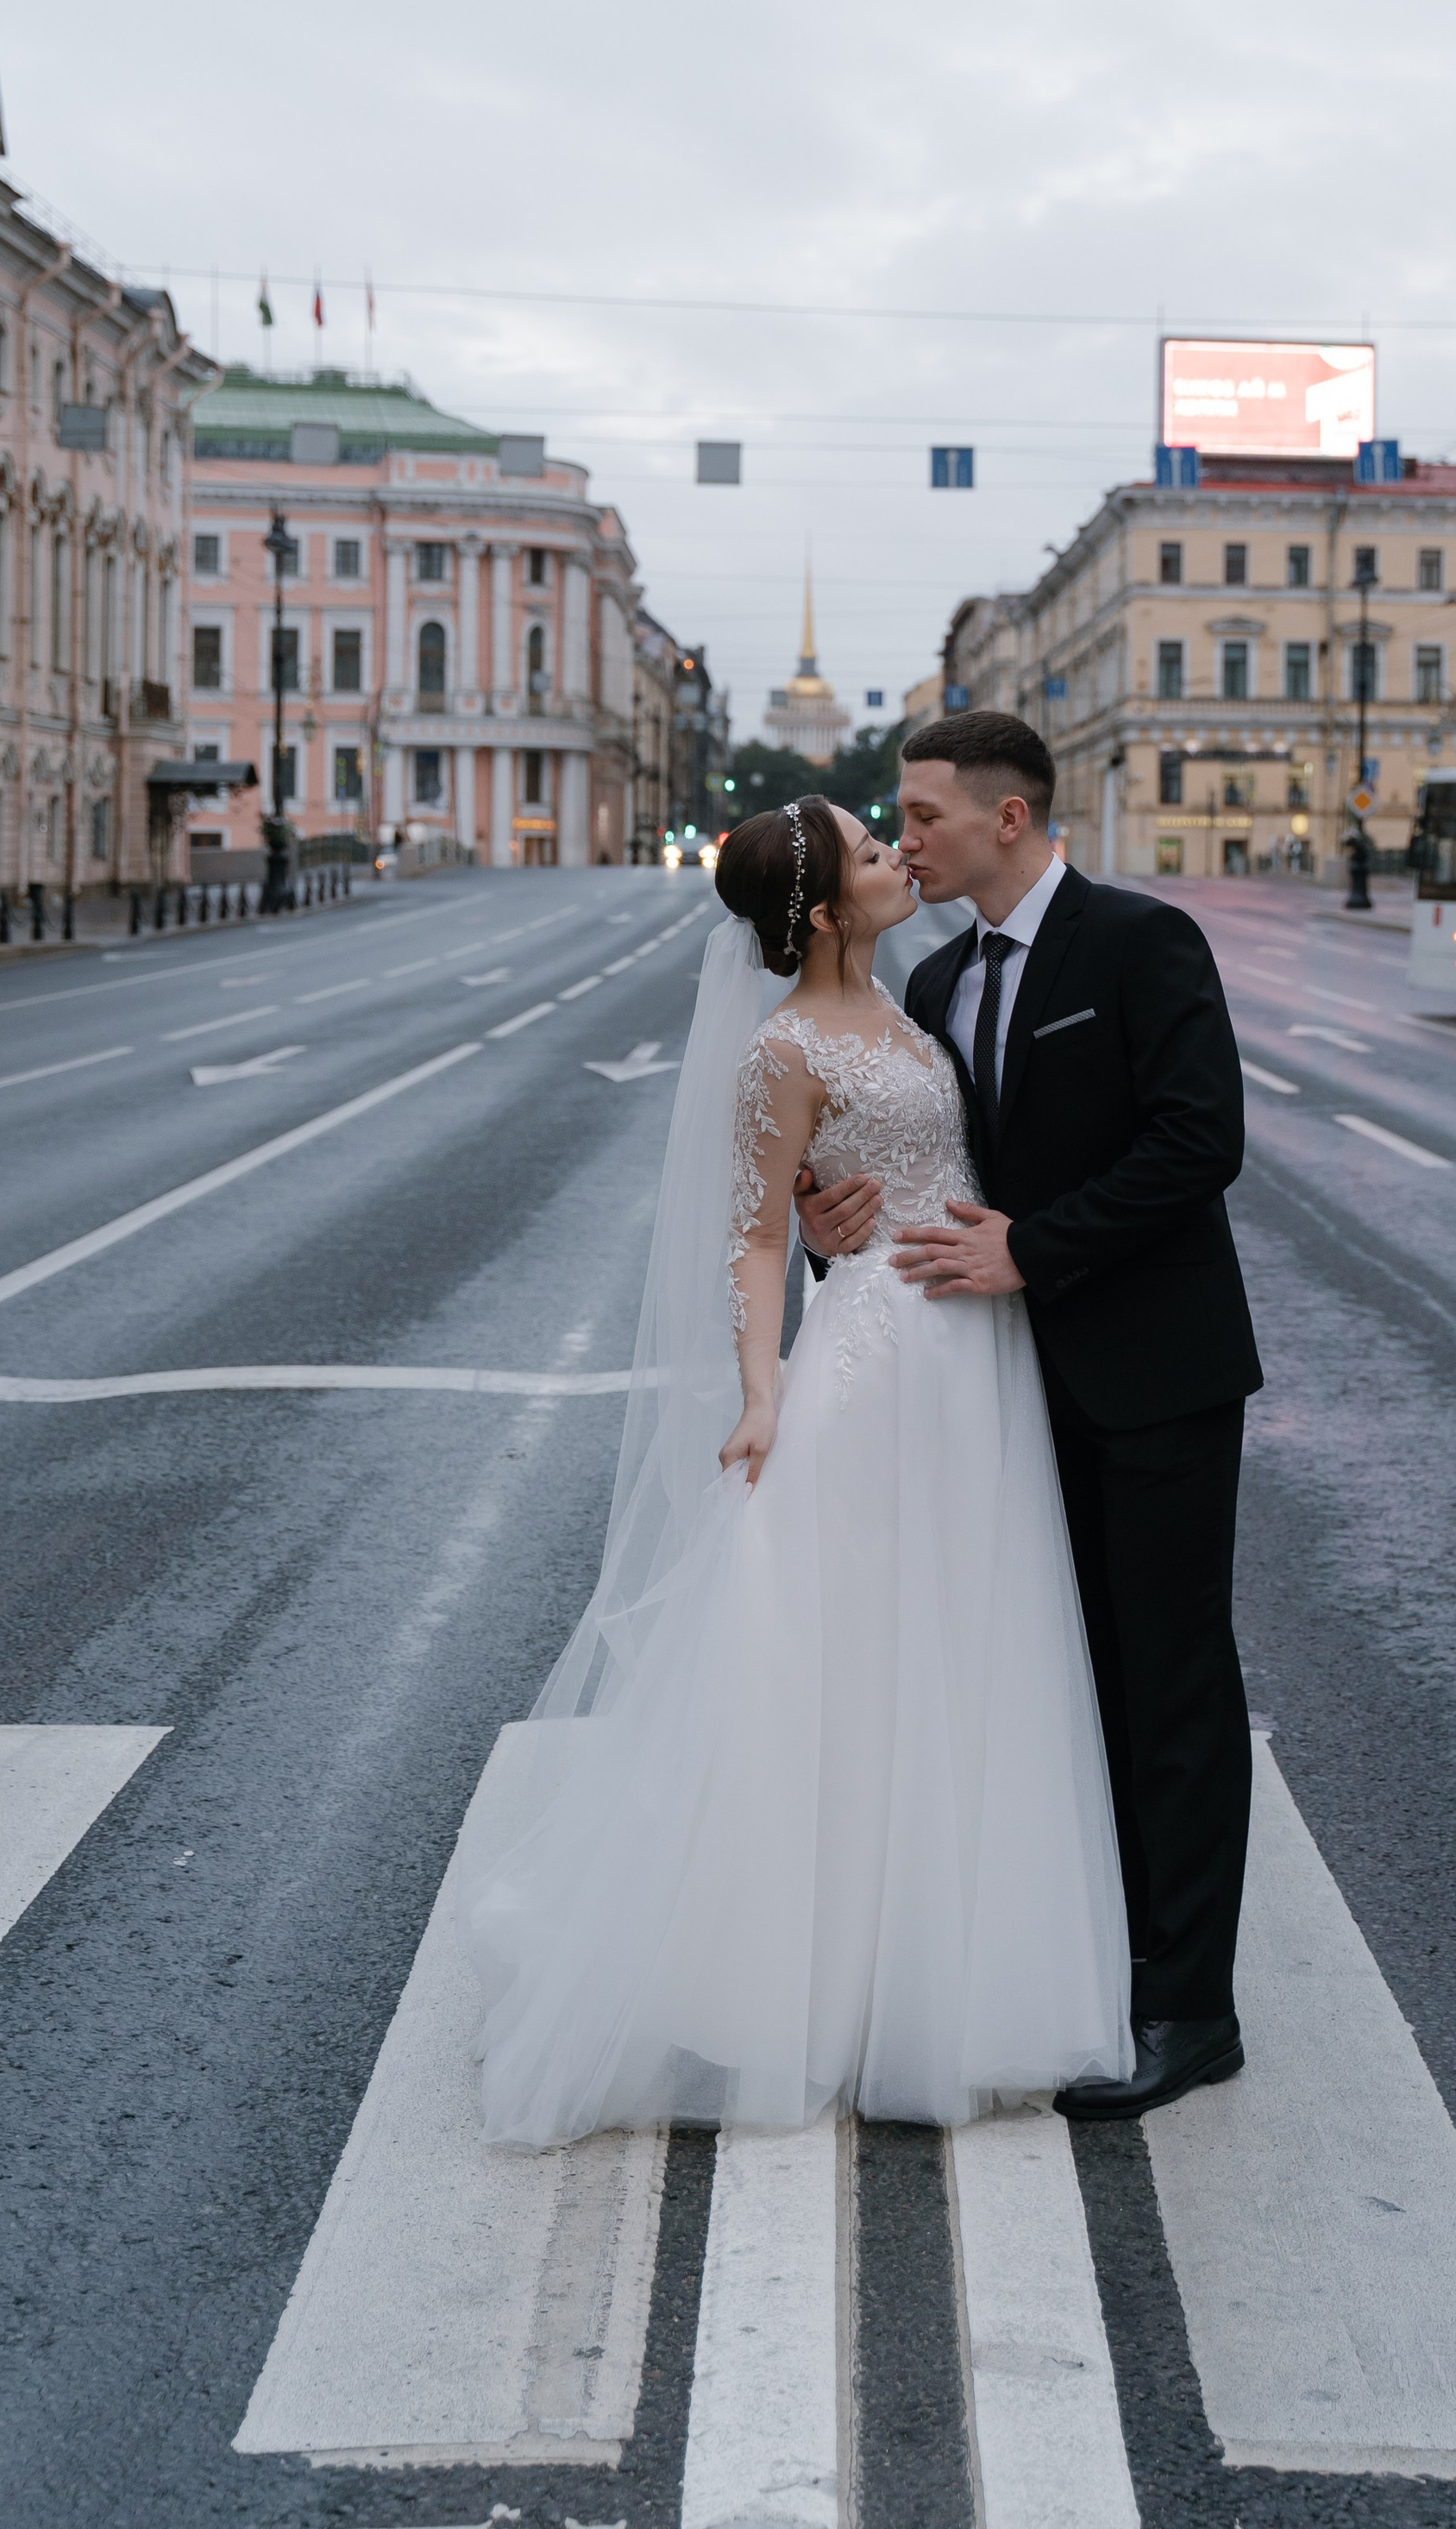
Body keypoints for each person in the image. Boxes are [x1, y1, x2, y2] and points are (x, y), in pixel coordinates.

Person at [459, 796, 1130, 2143]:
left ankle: (943, 1965)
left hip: (975, 1358)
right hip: (882, 1360)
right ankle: (823, 1979)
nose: (901, 855)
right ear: (824, 912)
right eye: (875, 851)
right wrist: (763, 1390)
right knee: (857, 1660)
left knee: (961, 1653)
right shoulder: (785, 1050)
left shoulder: (913, 1002)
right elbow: (753, 1237)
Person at [798, 711, 1261, 2118]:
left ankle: (1190, 2007)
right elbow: (921, 1168)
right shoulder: (935, 984)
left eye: (922, 815)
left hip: (1151, 1375)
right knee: (1059, 1673)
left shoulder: (1138, 943)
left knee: (1168, 1680)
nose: (905, 837)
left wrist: (1036, 1249)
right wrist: (836, 1225)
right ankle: (1090, 1956)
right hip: (997, 1392)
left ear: (1009, 820)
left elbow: (1201, 1139)